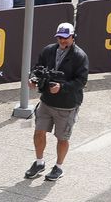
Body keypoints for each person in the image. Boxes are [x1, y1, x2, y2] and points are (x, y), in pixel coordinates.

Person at [26, 21, 89, 182]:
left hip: (67, 106)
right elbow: (37, 68)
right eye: (60, 37)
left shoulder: (80, 56)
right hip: (47, 101)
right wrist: (33, 79)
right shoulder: (48, 50)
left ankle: (59, 167)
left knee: (62, 138)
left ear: (73, 37)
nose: (62, 41)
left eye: (65, 38)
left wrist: (62, 87)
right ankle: (39, 162)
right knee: (38, 132)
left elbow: (81, 81)